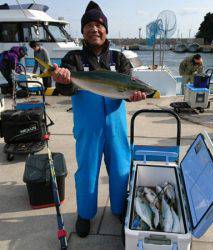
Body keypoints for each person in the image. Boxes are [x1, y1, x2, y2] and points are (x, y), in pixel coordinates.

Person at [51, 1, 146, 238]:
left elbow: (127, 90)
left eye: (99, 25)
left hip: (116, 128)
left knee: (121, 168)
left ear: (106, 30)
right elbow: (67, 90)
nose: (94, 29)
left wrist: (135, 97)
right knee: (87, 172)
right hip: (88, 128)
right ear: (82, 31)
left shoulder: (119, 58)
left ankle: (119, 208)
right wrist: (62, 81)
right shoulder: (73, 59)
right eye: (89, 25)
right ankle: (85, 214)